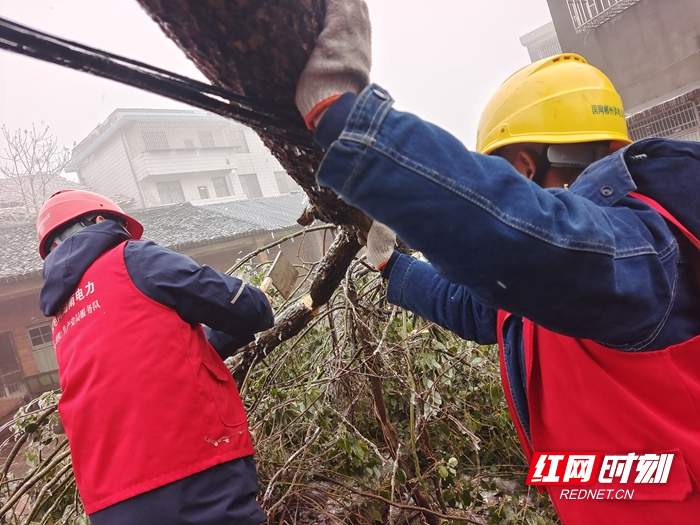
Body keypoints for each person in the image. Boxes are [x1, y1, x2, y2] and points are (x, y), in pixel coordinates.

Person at [293, 1, 700, 523]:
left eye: (500, 174)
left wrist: (347, 122)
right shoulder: (544, 283)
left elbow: (518, 238)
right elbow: (475, 305)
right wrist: (390, 266)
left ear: (525, 168)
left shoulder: (641, 250)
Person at [36, 189, 273, 525]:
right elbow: (246, 308)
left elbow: (155, 357)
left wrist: (226, 336)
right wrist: (260, 301)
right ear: (102, 221)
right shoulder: (133, 258)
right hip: (195, 474)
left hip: (111, 501)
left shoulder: (61, 317)